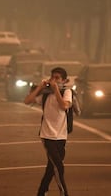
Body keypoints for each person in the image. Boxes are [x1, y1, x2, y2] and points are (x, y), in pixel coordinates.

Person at [24, 67, 72, 196]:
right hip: (47, 135)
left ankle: (41, 191)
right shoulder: (45, 95)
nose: (54, 80)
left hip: (61, 135)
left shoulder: (66, 92)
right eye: (53, 77)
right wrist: (40, 87)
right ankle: (64, 193)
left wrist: (56, 89)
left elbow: (64, 106)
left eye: (57, 78)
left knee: (51, 167)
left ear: (64, 80)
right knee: (59, 166)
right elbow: (27, 101)